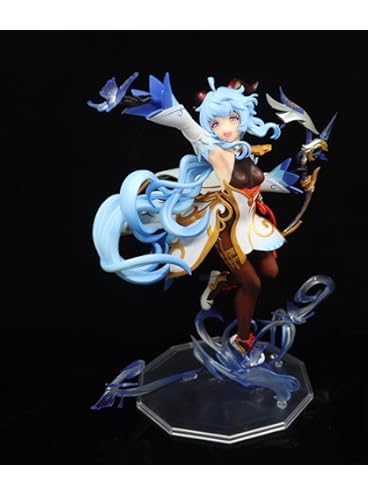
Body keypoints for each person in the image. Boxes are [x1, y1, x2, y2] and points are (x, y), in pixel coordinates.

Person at [88, 72, 321, 363]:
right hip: (227, 232)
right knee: (253, 285)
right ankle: (243, 343)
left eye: (232, 119)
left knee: (271, 272)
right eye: (216, 123)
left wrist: (300, 174)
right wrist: (140, 99)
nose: (226, 128)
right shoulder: (214, 152)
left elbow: (266, 183)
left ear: (243, 118)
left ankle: (220, 280)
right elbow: (185, 123)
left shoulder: (245, 154)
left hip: (251, 225)